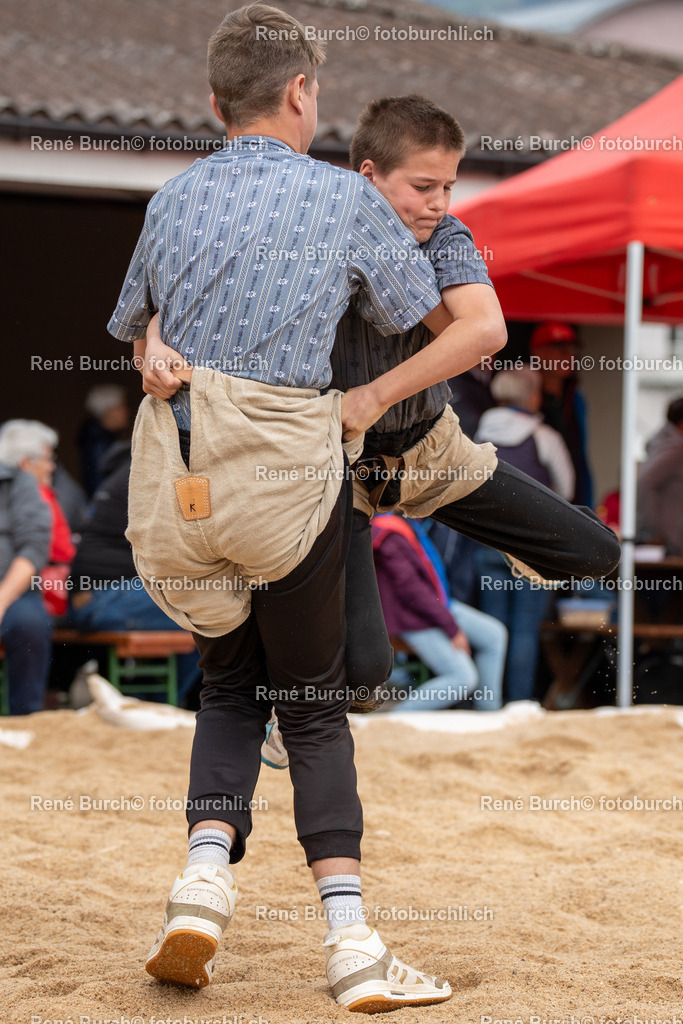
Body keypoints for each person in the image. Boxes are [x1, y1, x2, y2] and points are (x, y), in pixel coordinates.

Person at [108, 5, 501, 1011]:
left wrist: (158, 334)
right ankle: (351, 943)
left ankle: (200, 885)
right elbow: (417, 311)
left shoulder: (171, 198)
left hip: (178, 485)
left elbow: (139, 329)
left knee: (230, 688)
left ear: (211, 104)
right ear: (299, 94)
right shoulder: (341, 196)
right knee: (316, 713)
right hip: (281, 479)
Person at [67, 442, 202, 706]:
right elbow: (189, 541)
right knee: (212, 615)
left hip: (98, 598)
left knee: (208, 612)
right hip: (104, 599)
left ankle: (149, 701)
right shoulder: (152, 471)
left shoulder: (133, 466)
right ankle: (158, 704)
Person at [474, 368, 574, 701]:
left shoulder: (477, 437)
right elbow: (566, 491)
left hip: (487, 543)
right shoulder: (545, 437)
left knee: (493, 630)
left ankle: (490, 703)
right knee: (525, 630)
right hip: (532, 548)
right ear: (531, 395)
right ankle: (518, 704)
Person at [372, 514, 506, 711]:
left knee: (494, 633)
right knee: (463, 678)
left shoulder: (406, 522)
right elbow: (413, 591)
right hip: (412, 617)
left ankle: (489, 714)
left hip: (437, 605)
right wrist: (451, 628)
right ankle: (396, 720)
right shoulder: (387, 530)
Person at [0, 420, 76, 619]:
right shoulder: (40, 495)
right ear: (26, 463)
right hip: (39, 593)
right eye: (47, 459)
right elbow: (60, 550)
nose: (51, 467)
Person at [0, 428, 52, 715]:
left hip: (13, 592)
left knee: (30, 624)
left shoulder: (18, 481)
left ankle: (25, 717)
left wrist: (1, 600)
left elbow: (33, 547)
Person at [529, 321, 593, 506]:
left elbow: (580, 457)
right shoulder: (526, 396)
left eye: (572, 348)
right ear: (537, 352)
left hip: (574, 500)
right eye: (559, 348)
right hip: (537, 501)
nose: (569, 355)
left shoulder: (576, 398)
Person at [637, 395, 683, 555]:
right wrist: (658, 531)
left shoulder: (666, 444)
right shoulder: (675, 450)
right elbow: (644, 484)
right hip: (670, 543)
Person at [77, 384, 130, 496]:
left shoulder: (102, 438)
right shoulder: (98, 444)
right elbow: (100, 485)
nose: (126, 411)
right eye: (121, 406)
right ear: (109, 411)